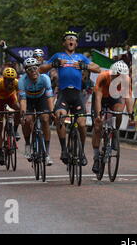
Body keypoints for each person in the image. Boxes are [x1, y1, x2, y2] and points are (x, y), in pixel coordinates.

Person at [39, 30, 101, 166]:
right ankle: (64, 150)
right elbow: (41, 69)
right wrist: (53, 64)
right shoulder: (58, 55)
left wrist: (85, 66)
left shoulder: (80, 57)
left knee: (82, 124)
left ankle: (81, 152)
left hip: (77, 94)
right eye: (68, 39)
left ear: (76, 43)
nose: (71, 40)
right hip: (63, 94)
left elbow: (97, 68)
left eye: (73, 39)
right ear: (64, 43)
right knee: (59, 117)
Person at [91, 61, 134, 174]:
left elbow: (128, 96)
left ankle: (114, 132)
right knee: (97, 126)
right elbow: (98, 98)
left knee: (119, 111)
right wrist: (99, 114)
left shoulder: (126, 80)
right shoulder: (103, 76)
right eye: (117, 76)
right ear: (112, 74)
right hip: (101, 97)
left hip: (114, 97)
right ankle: (96, 157)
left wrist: (131, 114)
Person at [18, 58, 55, 165]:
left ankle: (46, 153)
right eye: (30, 69)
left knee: (45, 119)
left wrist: (51, 111)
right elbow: (23, 100)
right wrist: (23, 113)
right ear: (26, 71)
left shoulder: (45, 78)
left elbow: (49, 97)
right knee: (27, 119)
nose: (33, 71)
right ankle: (28, 144)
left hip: (41, 98)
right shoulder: (22, 81)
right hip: (28, 100)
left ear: (39, 68)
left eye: (35, 68)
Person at [0, 67, 21, 166]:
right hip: (0, 101)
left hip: (11, 98)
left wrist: (22, 109)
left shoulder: (17, 83)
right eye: (8, 80)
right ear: (4, 79)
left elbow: (21, 98)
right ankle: (0, 154)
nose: (10, 82)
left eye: (12, 79)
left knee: (19, 110)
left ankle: (15, 130)